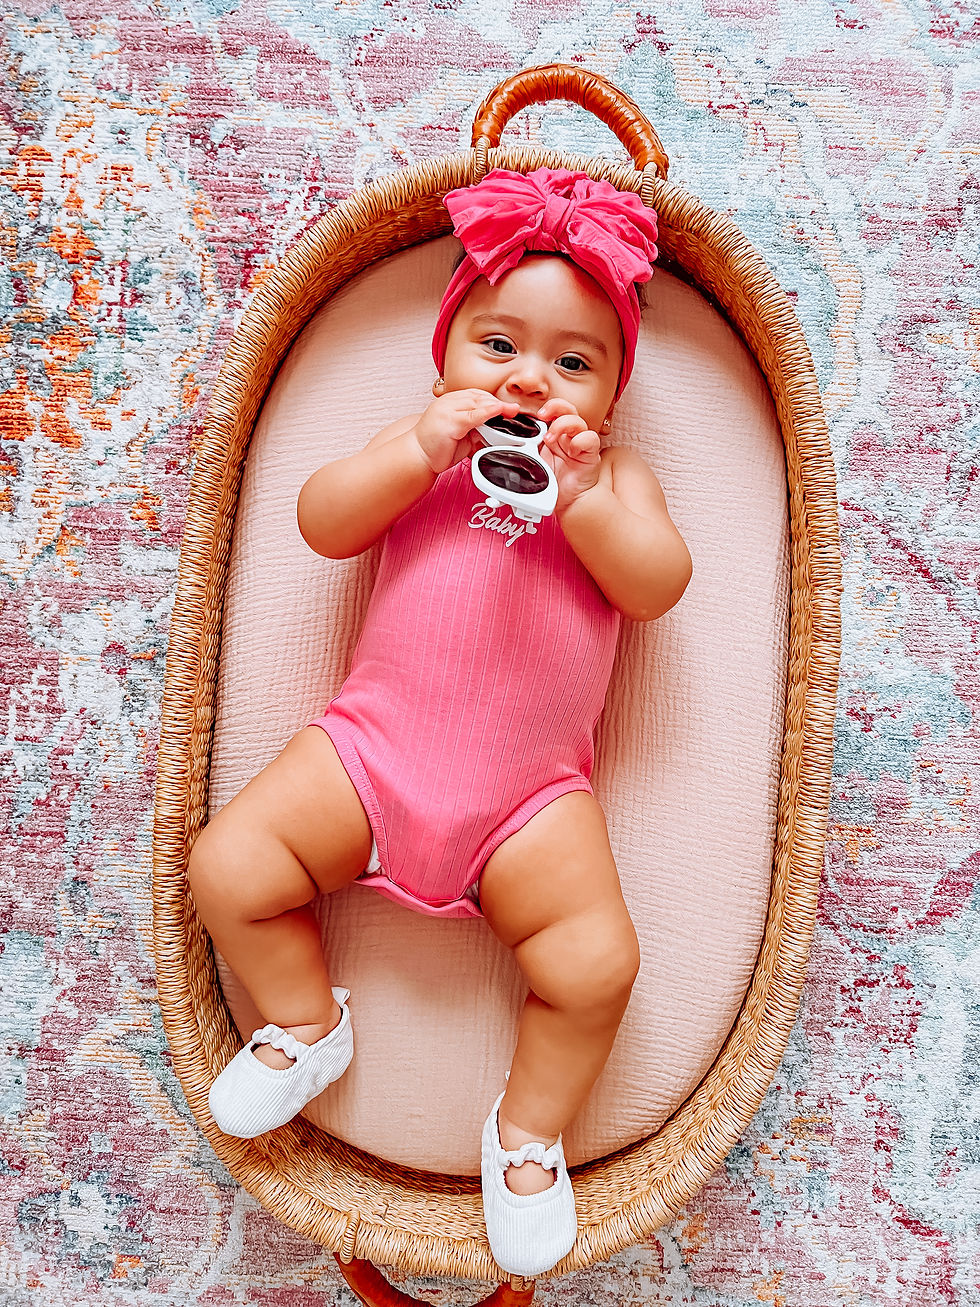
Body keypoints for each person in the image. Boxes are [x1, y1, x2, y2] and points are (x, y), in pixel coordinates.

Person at [187, 167, 692, 1277]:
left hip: (528, 800)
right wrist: (414, 447)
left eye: (573, 362)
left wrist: (588, 501)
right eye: (496, 344)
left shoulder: (615, 479)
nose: (529, 378)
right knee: (226, 865)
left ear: (610, 393)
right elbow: (322, 519)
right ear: (444, 352)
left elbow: (656, 587)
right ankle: (306, 1022)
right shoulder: (419, 452)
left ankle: (524, 1137)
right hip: (368, 751)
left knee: (597, 963)